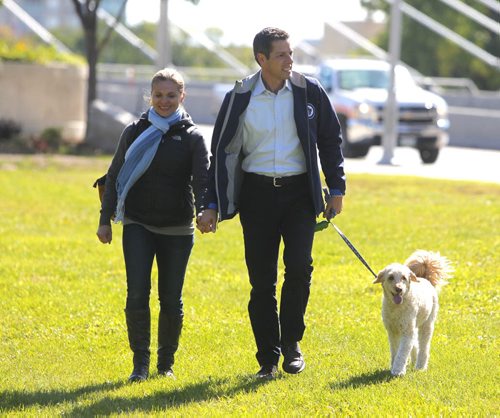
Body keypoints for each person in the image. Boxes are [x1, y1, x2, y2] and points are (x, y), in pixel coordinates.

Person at [197, 27, 346, 379]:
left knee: (299, 268)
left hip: (299, 196)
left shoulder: (309, 91)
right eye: (281, 55)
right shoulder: (241, 95)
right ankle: (267, 357)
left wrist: (336, 187)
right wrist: (212, 203)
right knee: (261, 281)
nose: (289, 60)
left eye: (291, 53)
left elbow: (330, 140)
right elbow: (220, 151)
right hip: (257, 197)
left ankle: (292, 344)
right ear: (261, 59)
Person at [96, 68, 209, 382]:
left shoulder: (192, 136)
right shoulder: (134, 130)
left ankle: (166, 364)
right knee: (136, 295)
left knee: (171, 298)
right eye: (158, 95)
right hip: (138, 224)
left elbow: (202, 182)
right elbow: (115, 175)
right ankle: (140, 365)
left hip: (177, 229)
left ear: (181, 97)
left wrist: (205, 212)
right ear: (150, 96)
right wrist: (105, 221)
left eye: (171, 95)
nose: (164, 101)